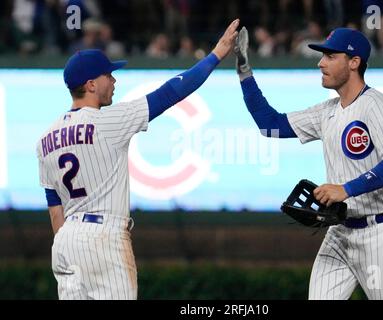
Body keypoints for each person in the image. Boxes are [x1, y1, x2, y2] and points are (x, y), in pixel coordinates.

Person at [36, 19, 240, 300]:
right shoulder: (109, 120)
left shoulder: (45, 139)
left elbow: (54, 209)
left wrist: (67, 243)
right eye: (109, 75)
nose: (114, 80)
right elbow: (171, 92)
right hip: (103, 237)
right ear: (92, 84)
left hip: (66, 241)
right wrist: (216, 54)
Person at [234, 27, 383, 300]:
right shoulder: (326, 111)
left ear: (354, 63)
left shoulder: (377, 105)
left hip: (382, 233)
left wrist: (346, 189)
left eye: (330, 56)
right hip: (339, 232)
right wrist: (244, 72)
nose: (321, 63)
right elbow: (270, 125)